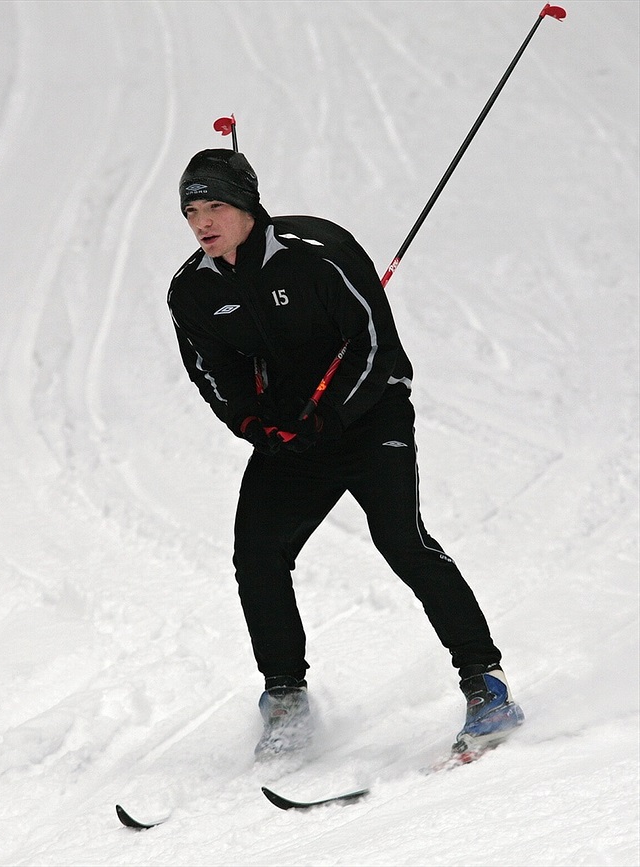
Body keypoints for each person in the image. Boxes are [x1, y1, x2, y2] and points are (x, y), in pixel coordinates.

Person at [167, 147, 524, 761]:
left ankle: (485, 685)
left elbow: (376, 343)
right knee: (256, 555)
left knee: (401, 540)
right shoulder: (192, 290)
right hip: (292, 439)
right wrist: (256, 425)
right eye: (192, 211)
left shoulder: (318, 252)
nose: (203, 223)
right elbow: (211, 372)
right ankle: (284, 698)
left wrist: (330, 415)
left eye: (216, 206)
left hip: (368, 417)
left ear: (248, 204)